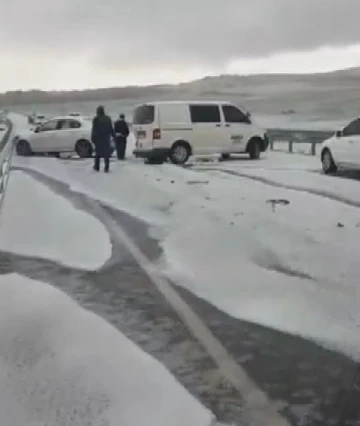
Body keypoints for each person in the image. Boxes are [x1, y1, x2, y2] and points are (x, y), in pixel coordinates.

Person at [91, 106, 115, 172]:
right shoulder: (108, 118)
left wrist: (93, 138)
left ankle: (97, 166)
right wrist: (113, 135)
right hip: (106, 138)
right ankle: (106, 168)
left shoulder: (96, 119)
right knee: (106, 154)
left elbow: (94, 130)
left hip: (98, 138)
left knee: (97, 154)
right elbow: (111, 128)